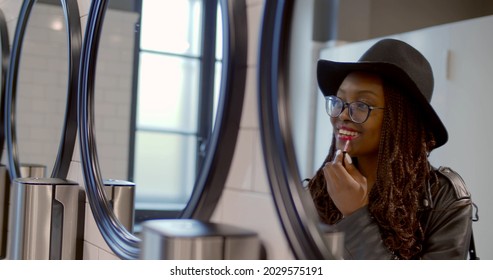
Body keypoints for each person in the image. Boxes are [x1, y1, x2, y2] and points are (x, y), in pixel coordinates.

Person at [308, 38, 473, 260]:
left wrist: (356, 216)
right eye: (339, 101)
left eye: (362, 105)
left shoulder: (444, 199)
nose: (343, 115)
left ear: (401, 120)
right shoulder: (318, 190)